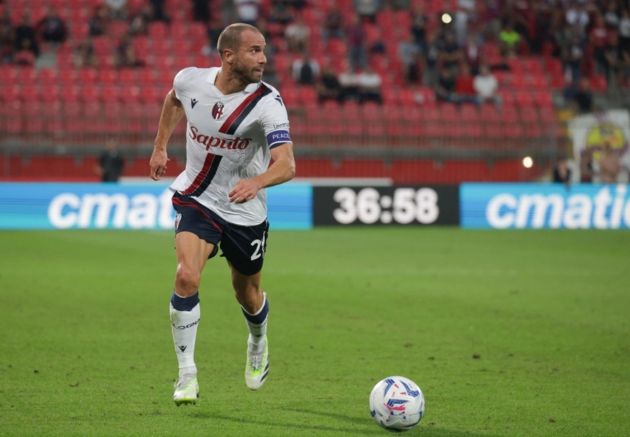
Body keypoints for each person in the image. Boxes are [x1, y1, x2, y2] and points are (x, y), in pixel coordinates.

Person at [149, 22, 295, 406]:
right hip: (196, 197)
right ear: (228, 56)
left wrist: (258, 182)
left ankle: (258, 340)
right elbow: (174, 99)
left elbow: (288, 165)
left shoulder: (267, 102)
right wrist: (160, 147)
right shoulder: (191, 80)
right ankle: (186, 376)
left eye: (264, 50)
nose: (263, 58)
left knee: (246, 293)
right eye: (254, 51)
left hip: (244, 211)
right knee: (186, 276)